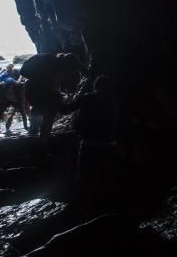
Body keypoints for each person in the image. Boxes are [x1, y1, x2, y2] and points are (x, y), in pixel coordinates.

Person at [62, 75, 119, 209]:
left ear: (95, 86)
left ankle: (86, 205)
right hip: (110, 144)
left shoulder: (88, 97)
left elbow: (66, 110)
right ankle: (107, 204)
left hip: (90, 143)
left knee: (86, 176)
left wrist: (54, 97)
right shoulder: (113, 100)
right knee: (106, 175)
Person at [19, 52, 84, 143]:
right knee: (48, 119)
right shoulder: (56, 68)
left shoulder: (49, 59)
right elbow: (54, 88)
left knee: (37, 112)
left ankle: (33, 138)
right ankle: (41, 145)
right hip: (39, 91)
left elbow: (23, 71)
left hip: (31, 90)